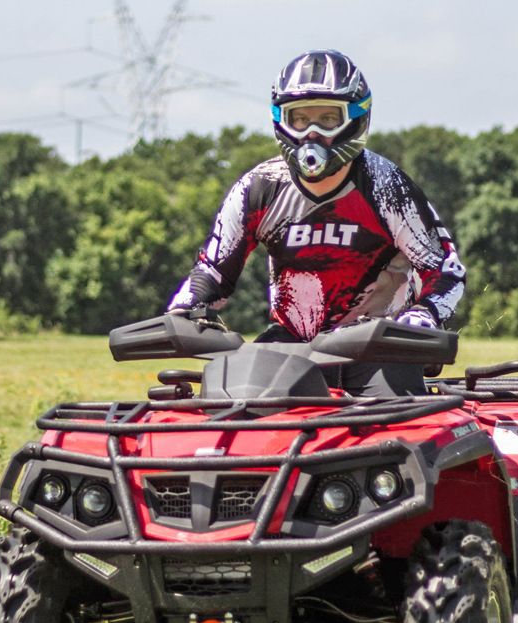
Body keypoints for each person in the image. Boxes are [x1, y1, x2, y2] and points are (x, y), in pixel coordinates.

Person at [167, 49, 465, 396]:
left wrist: (423, 316)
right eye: (299, 119)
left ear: (357, 118)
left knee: (393, 421)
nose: (311, 133)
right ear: (280, 119)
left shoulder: (387, 187)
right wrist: (185, 308)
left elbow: (445, 271)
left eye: (327, 118)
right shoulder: (258, 188)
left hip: (379, 345)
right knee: (241, 407)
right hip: (289, 346)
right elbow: (214, 273)